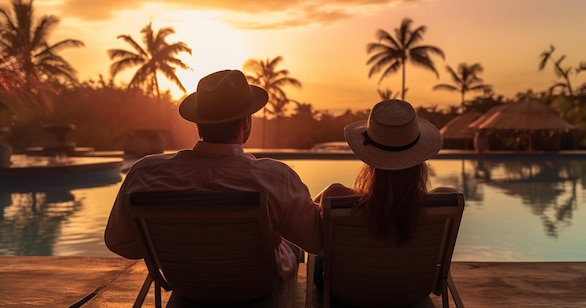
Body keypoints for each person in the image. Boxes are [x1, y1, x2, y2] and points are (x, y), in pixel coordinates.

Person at [105, 69, 322, 280]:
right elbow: (314, 241)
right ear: (245, 122)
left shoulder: (145, 173)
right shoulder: (276, 177)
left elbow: (118, 241)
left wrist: (172, 250)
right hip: (255, 288)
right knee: (292, 247)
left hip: (187, 285)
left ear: (198, 124)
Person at [313, 99, 455, 287]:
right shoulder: (444, 202)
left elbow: (311, 216)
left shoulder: (336, 195)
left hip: (347, 292)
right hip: (412, 292)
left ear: (368, 159)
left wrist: (351, 195)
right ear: (419, 159)